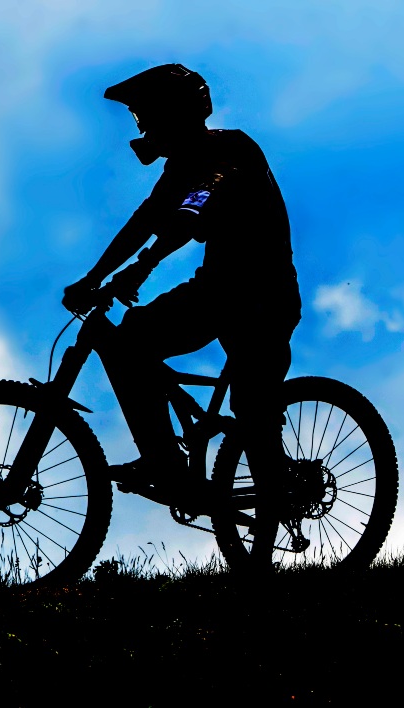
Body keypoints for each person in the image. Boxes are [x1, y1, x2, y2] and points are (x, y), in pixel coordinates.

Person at [62, 64, 301, 526]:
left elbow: (196, 207)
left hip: (260, 295)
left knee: (252, 411)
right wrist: (94, 277)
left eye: (145, 116)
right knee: (133, 340)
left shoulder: (229, 148)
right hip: (220, 290)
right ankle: (166, 460)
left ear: (175, 113)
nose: (143, 128)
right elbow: (146, 220)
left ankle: (179, 467)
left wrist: (142, 266)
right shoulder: (179, 167)